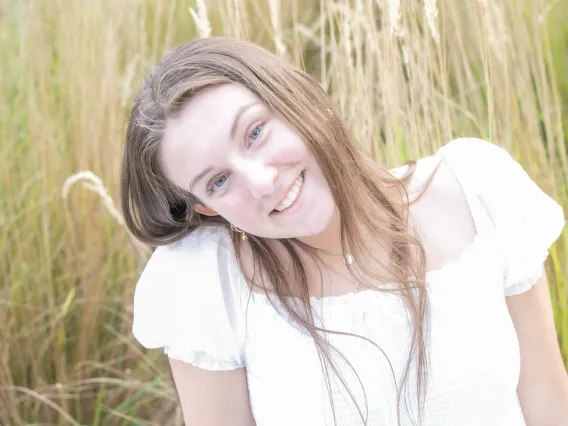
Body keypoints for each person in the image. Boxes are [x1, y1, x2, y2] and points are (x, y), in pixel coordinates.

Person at [121, 37, 568, 426]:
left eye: (255, 132)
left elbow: (549, 403)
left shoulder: (477, 191)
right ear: (207, 208)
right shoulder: (210, 285)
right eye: (218, 182)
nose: (261, 182)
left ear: (297, 98)